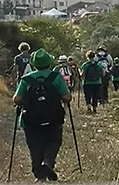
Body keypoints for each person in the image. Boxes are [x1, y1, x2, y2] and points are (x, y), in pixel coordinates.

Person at [13, 48, 72, 182]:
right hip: (54, 119)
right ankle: (47, 163)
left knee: (35, 145)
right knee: (53, 142)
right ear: (49, 63)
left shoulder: (26, 79)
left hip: (31, 120)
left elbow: (16, 99)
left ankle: (40, 175)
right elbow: (67, 97)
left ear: (34, 64)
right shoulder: (55, 77)